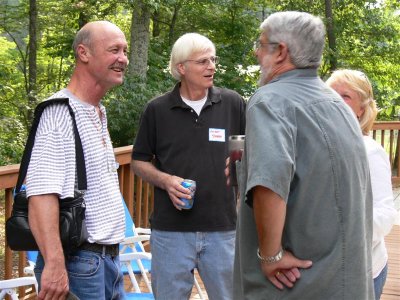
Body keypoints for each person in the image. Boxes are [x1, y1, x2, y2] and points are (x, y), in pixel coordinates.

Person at [233, 11, 374, 299]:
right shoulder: (335, 103)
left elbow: (269, 184)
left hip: (298, 285)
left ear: (281, 51)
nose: (257, 53)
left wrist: (270, 256)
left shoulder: (271, 100)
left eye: (260, 45)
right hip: (346, 282)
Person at [131, 32, 246, 299]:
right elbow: (138, 161)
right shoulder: (157, 110)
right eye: (203, 61)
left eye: (213, 59)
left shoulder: (233, 103)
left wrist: (241, 172)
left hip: (223, 229)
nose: (212, 66)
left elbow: (246, 149)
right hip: (170, 232)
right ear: (181, 67)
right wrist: (166, 181)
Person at [26, 21, 128, 299]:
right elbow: (41, 195)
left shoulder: (97, 110)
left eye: (125, 51)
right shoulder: (59, 113)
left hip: (107, 261)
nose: (123, 58)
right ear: (84, 53)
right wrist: (56, 266)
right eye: (114, 50)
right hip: (79, 264)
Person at [326, 69, 398, 300]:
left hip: (360, 271)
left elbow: (385, 213)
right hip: (323, 270)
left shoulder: (369, 152)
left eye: (345, 96)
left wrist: (340, 237)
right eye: (330, 95)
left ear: (361, 109)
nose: (335, 101)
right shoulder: (312, 143)